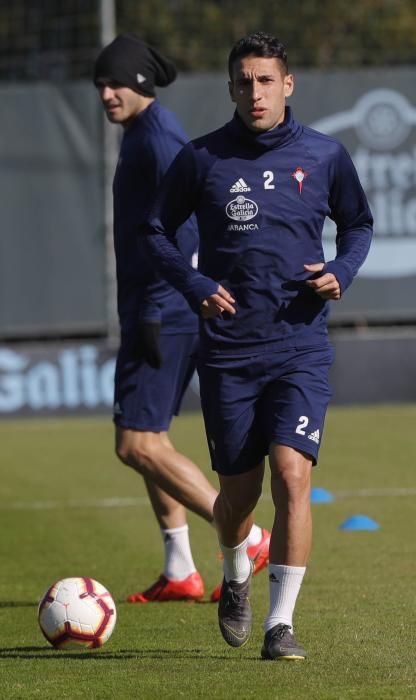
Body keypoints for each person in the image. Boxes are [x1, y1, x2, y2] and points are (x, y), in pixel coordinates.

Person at [143, 32, 373, 658]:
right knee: (237, 497)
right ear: (230, 89)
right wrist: (194, 282)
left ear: (287, 85)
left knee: (292, 476)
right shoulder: (201, 158)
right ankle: (234, 572)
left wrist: (341, 271)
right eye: (244, 82)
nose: (255, 92)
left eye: (266, 80)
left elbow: (358, 225)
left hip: (300, 346)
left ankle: (281, 624)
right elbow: (156, 231)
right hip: (228, 354)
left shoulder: (325, 155)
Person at [93, 34, 270, 604]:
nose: (105, 93)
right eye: (99, 84)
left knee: (136, 444)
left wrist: (172, 296)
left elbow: (190, 217)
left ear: (140, 84)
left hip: (164, 310)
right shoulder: (143, 133)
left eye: (114, 82)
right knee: (154, 440)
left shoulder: (159, 138)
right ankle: (180, 571)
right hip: (156, 306)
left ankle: (252, 538)